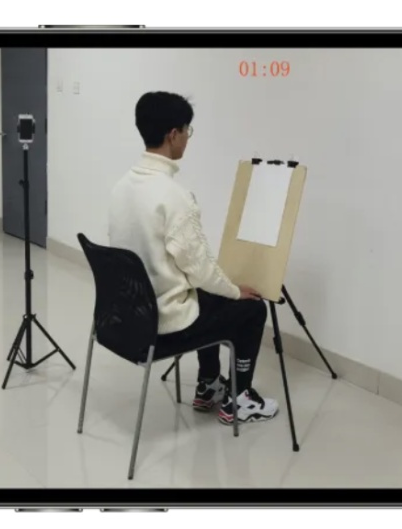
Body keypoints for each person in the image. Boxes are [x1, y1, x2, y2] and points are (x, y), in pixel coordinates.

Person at [106, 91, 279, 425]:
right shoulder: (174, 197)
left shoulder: (121, 187)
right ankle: (240, 398)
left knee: (204, 295)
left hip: (125, 318)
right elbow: (201, 271)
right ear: (174, 134)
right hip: (163, 324)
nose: (188, 138)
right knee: (252, 309)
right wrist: (235, 291)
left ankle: (208, 384)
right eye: (188, 131)